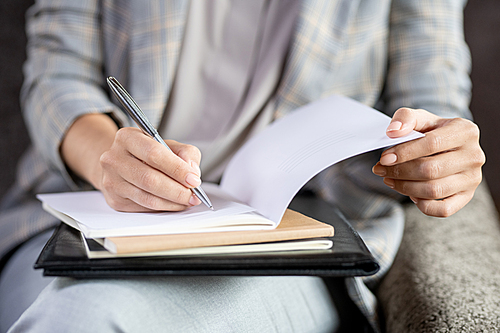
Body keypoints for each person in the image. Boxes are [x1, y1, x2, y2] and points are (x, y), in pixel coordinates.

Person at [0, 0, 484, 332]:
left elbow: (428, 103)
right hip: (84, 217)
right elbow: (56, 75)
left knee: (86, 317)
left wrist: (436, 154)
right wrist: (108, 158)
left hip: (294, 244)